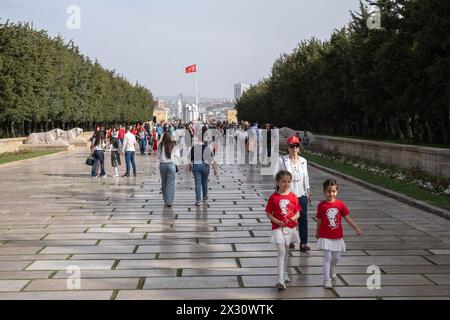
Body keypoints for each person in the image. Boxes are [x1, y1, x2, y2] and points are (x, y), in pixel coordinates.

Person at [316, 179, 362, 289]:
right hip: (325, 235)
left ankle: (332, 268)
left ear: (337, 191)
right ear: (324, 192)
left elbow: (347, 218)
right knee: (327, 257)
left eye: (333, 191)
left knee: (336, 257)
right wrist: (317, 232)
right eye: (328, 191)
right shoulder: (321, 206)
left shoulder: (340, 204)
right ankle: (327, 279)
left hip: (337, 236)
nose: (331, 194)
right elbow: (319, 220)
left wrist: (356, 227)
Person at [275, 135, 312, 252]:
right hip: (288, 194)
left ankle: (303, 243)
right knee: (288, 218)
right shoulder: (282, 160)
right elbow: (275, 175)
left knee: (303, 218)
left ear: (299, 148)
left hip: (301, 194)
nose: (294, 148)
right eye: (292, 146)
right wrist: (280, 188)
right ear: (288, 148)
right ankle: (289, 240)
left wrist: (308, 191)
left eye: (296, 146)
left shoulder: (303, 161)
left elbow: (306, 176)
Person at [266, 170, 301, 290]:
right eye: (284, 181)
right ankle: (280, 279)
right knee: (281, 251)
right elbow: (269, 214)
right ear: (277, 182)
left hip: (290, 228)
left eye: (289, 182)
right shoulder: (273, 197)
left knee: (286, 252)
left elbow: (298, 213)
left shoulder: (293, 197)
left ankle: (285, 272)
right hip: (278, 228)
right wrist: (277, 221)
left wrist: (293, 218)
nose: (286, 184)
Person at [189, 126, 218, 206]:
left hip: (196, 166)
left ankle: (198, 199)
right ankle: (205, 196)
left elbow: (190, 159)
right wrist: (214, 169)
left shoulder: (194, 147)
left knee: (197, 183)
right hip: (205, 166)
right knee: (204, 182)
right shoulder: (207, 147)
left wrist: (190, 166)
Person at [158, 132, 179, 208]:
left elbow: (158, 156)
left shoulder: (160, 145)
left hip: (162, 165)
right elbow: (178, 155)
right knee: (171, 184)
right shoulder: (173, 144)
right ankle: (169, 201)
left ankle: (166, 200)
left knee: (164, 183)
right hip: (171, 165)